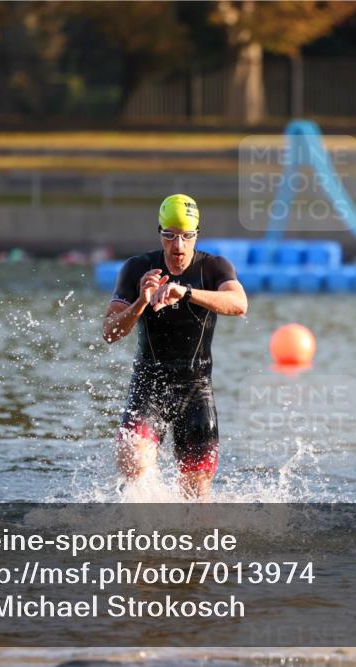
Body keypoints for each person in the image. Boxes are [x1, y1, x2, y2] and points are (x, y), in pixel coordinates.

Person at [102, 194, 248, 499]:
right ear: (159, 233)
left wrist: (186, 292)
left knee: (196, 498)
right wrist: (140, 302)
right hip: (149, 384)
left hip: (196, 389)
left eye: (186, 236)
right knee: (132, 461)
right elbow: (110, 332)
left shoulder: (213, 267)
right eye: (169, 236)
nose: (178, 246)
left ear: (197, 235)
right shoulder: (137, 269)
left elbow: (239, 304)